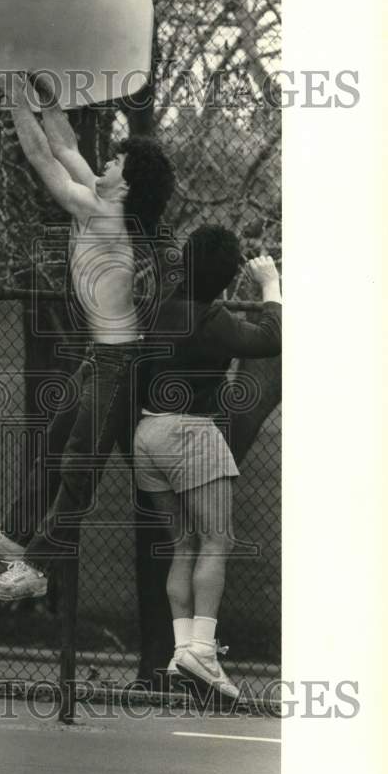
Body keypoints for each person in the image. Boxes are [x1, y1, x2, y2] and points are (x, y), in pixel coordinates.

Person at [0, 70, 175, 601]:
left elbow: (44, 160)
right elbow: (67, 144)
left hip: (120, 364)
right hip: (102, 358)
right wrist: (44, 97)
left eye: (117, 161)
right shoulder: (106, 196)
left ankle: (38, 568)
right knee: (55, 447)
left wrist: (13, 97)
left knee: (78, 466)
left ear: (127, 182)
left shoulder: (104, 213)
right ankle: (13, 534)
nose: (107, 163)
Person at [133, 227, 282, 697]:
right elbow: (269, 339)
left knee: (183, 544)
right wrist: (271, 285)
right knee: (218, 539)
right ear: (227, 275)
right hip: (190, 433)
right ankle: (202, 650)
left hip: (148, 433)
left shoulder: (159, 308)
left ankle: (182, 652)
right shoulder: (212, 317)